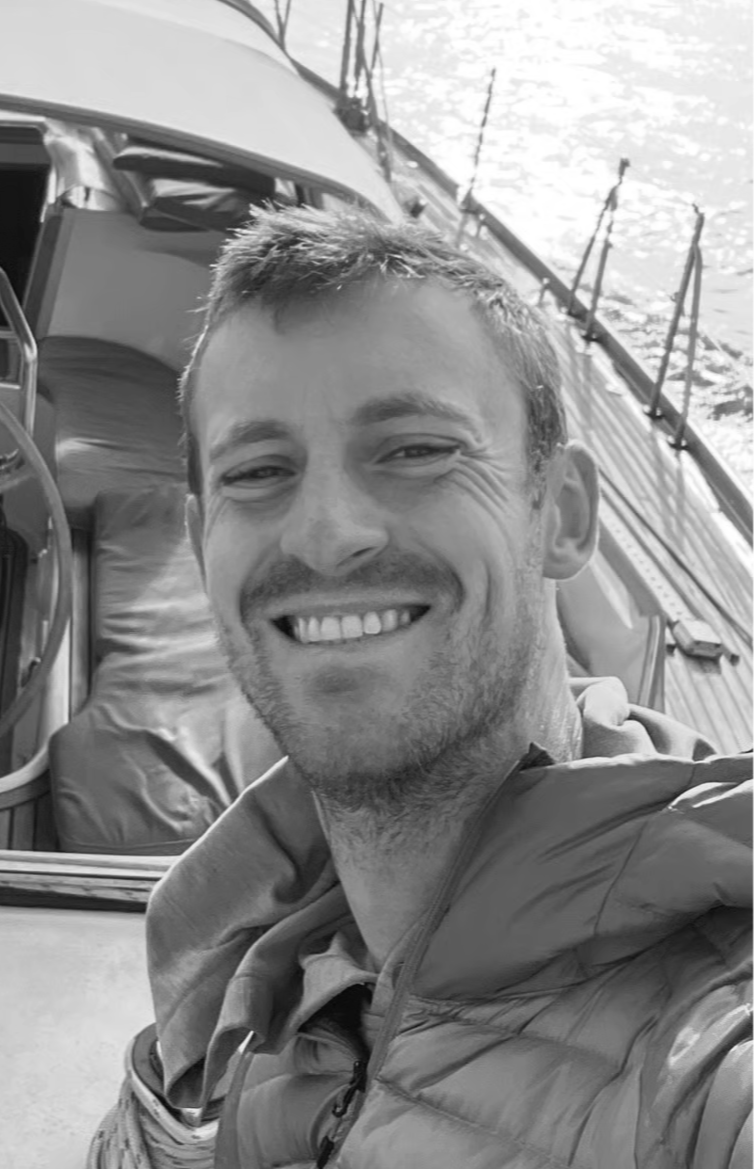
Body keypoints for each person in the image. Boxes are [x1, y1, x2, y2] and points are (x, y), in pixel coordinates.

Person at [140, 206, 754, 1168]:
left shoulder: (715, 1056)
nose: (327, 533)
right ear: (200, 541)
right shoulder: (248, 956)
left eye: (417, 449)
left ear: (562, 515)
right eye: (259, 471)